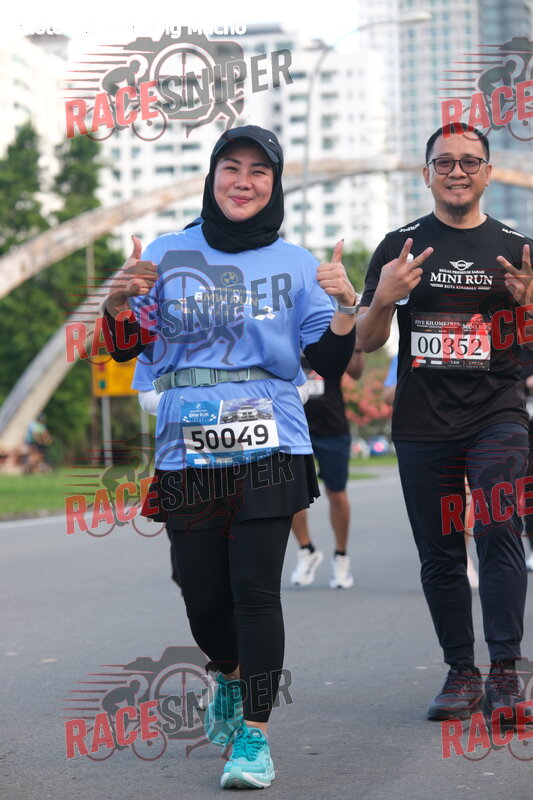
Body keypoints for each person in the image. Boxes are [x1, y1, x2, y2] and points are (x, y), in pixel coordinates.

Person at [103, 125, 358, 789]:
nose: (243, 181)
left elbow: (327, 361)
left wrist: (345, 306)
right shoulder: (167, 252)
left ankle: (254, 736)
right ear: (212, 175)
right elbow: (130, 346)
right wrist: (119, 302)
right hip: (187, 444)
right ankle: (229, 674)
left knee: (254, 590)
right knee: (201, 595)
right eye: (231, 167)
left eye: (259, 171)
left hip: (270, 438)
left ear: (274, 185)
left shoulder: (297, 264)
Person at [357, 122, 533, 726]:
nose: (457, 171)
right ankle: (462, 672)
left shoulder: (519, 247)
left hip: (497, 414)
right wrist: (385, 296)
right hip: (423, 420)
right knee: (439, 549)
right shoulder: (399, 246)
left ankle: (505, 673)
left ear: (488, 173)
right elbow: (367, 341)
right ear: (426, 172)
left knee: (499, 529)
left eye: (469, 161)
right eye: (445, 162)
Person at [290, 347, 364, 588]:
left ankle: (341, 557)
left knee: (337, 494)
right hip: (293, 426)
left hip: (332, 427)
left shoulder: (331, 331)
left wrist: (356, 344)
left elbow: (356, 372)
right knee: (290, 494)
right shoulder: (282, 330)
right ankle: (306, 550)